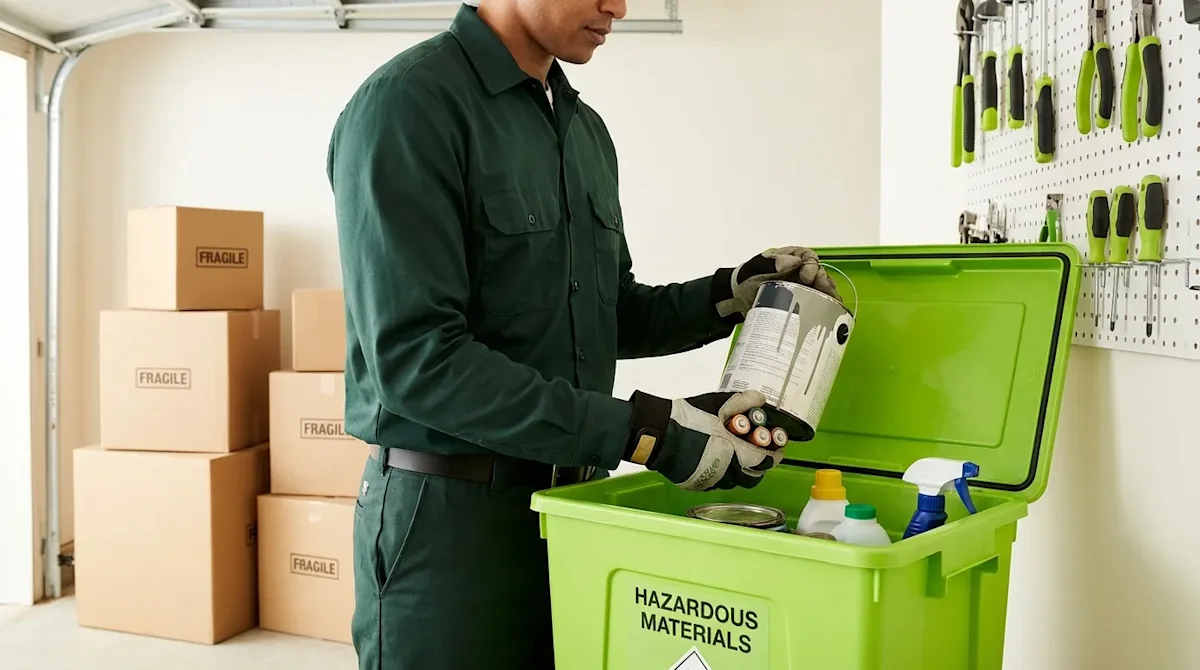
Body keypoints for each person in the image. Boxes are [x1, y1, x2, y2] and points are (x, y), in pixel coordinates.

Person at [325, 1, 841, 668]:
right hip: (450, 529)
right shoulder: (407, 108)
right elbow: (420, 363)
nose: (619, 6)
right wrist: (650, 432)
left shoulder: (584, 131)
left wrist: (726, 296)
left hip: (578, 511)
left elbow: (607, 313)